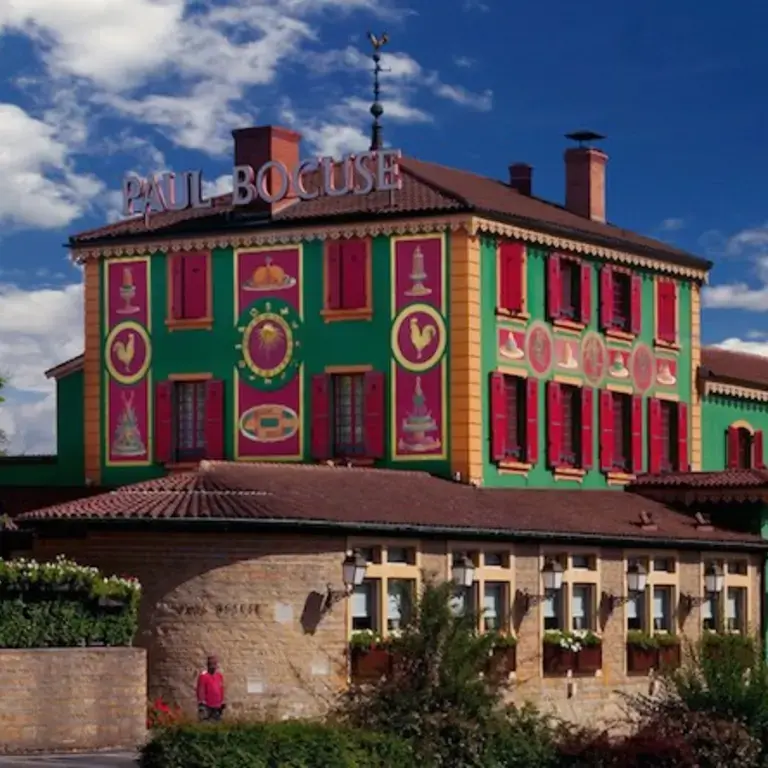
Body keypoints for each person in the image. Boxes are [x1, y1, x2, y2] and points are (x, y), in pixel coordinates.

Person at [197, 655, 225, 721]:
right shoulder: (203, 676)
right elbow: (201, 689)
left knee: (217, 722)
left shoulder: (219, 676)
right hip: (207, 705)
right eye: (211, 664)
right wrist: (202, 701)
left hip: (217, 705)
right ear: (208, 665)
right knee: (206, 722)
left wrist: (222, 701)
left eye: (214, 663)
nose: (212, 666)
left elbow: (221, 688)